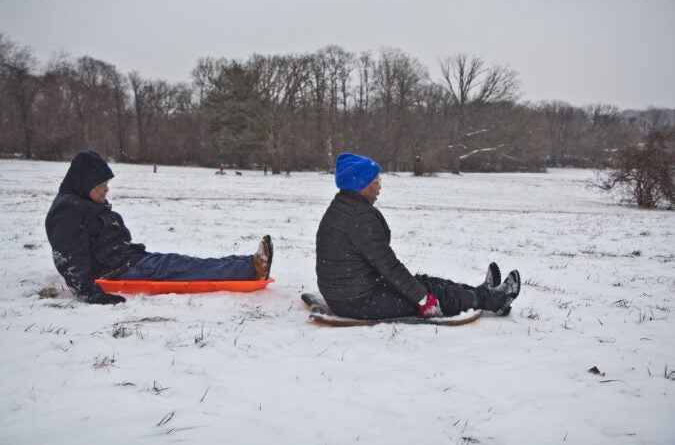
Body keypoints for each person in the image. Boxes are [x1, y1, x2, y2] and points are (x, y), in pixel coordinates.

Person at [46, 150, 273, 305]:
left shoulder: (83, 203)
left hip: (128, 260)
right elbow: (69, 258)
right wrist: (89, 293)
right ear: (85, 183)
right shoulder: (68, 211)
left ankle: (248, 264)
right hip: (117, 270)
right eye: (102, 185)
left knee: (183, 263)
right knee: (185, 268)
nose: (106, 190)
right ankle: (250, 267)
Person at [315, 152, 521, 320]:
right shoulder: (359, 216)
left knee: (423, 282)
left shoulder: (342, 207)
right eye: (376, 181)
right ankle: (495, 300)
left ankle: (481, 292)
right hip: (359, 302)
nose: (380, 187)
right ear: (360, 185)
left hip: (348, 295)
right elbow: (389, 266)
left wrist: (418, 290)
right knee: (431, 293)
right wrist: (423, 300)